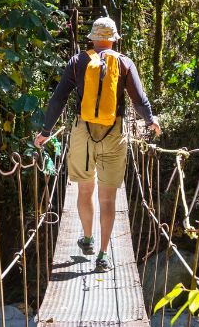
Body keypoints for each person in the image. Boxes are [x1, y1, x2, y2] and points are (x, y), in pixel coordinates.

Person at [34, 16, 161, 272]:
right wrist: (150, 121)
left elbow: (58, 99)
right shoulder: (124, 63)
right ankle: (103, 255)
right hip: (113, 132)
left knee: (84, 190)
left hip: (83, 131)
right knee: (108, 198)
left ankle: (88, 239)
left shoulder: (78, 61)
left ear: (92, 38)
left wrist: (46, 131)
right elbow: (139, 99)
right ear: (114, 40)